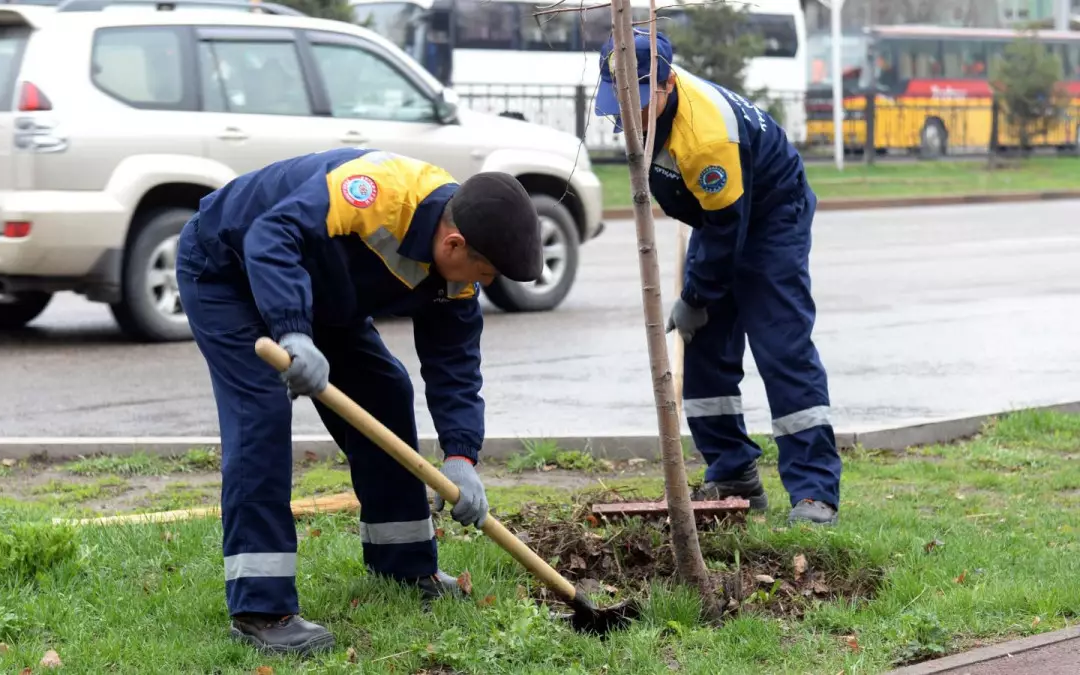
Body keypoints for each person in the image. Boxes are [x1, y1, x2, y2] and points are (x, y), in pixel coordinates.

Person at [176, 147, 544, 655]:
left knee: (385, 393)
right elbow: (270, 235)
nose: (485, 285)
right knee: (260, 415)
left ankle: (404, 566)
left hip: (320, 292)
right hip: (228, 267)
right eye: (486, 272)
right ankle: (261, 611)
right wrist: (293, 332)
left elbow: (455, 365)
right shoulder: (375, 192)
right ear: (455, 243)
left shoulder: (455, 270)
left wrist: (461, 455)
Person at [594, 29, 842, 526]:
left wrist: (696, 293)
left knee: (781, 345)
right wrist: (699, 302)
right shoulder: (647, 104)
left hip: (772, 214)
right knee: (704, 344)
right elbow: (714, 221)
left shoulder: (705, 136)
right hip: (720, 214)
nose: (625, 113)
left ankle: (814, 493)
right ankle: (733, 475)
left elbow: (729, 230)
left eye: (638, 100)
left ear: (665, 87)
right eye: (618, 100)